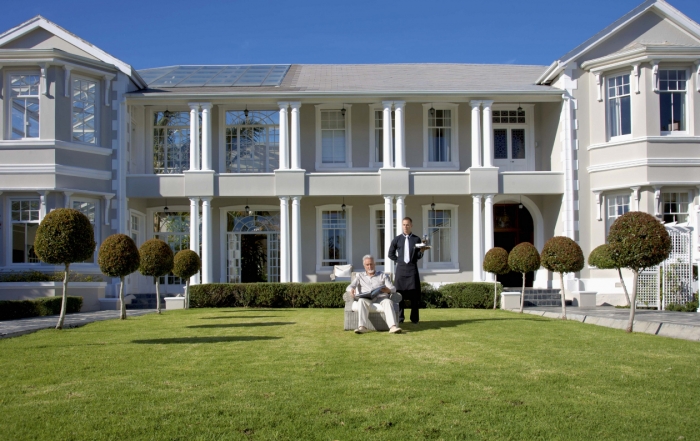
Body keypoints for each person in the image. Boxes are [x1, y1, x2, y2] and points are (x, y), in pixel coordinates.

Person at [347, 255, 402, 334]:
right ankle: (362, 327)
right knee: (361, 301)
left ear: (374, 264)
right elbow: (349, 287)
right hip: (366, 298)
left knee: (388, 302)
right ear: (364, 266)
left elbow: (393, 288)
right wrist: (351, 289)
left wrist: (388, 290)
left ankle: (393, 327)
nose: (370, 267)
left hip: (381, 298)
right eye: (367, 265)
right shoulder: (359, 276)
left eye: (371, 264)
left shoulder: (382, 275)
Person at [388, 217, 426, 324]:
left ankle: (414, 319)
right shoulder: (397, 239)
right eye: (404, 225)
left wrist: (422, 252)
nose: (405, 227)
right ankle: (400, 318)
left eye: (407, 225)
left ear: (411, 225)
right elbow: (390, 254)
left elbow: (418, 255)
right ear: (402, 226)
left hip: (412, 268)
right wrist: (399, 260)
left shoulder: (416, 239)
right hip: (400, 269)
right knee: (399, 294)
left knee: (414, 295)